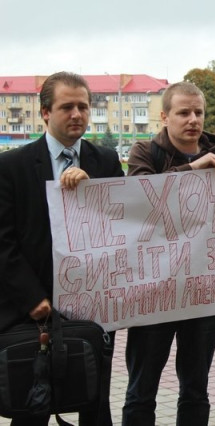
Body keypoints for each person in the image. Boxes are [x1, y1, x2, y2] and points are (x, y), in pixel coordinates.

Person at [122, 81, 215, 426]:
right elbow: (141, 200)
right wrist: (194, 169)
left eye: (198, 112)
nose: (193, 119)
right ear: (165, 117)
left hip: (202, 292)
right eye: (183, 113)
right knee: (141, 391)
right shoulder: (144, 152)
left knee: (196, 389)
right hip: (154, 292)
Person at [0, 71, 123, 425]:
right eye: (67, 107)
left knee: (94, 399)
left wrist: (92, 190)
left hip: (92, 305)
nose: (77, 114)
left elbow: (122, 223)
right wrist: (32, 298)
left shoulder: (105, 161)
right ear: (45, 112)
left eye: (83, 106)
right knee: (33, 402)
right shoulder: (12, 166)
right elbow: (3, 242)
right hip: (34, 308)